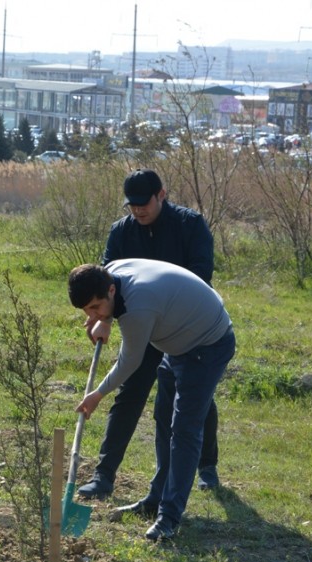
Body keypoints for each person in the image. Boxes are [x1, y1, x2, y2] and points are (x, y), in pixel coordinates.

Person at [78, 169, 222, 507]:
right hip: (140, 327)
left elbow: (200, 278)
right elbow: (105, 283)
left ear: (162, 194)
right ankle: (104, 475)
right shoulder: (121, 231)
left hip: (183, 330)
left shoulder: (190, 226)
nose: (138, 211)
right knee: (129, 393)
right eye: (132, 206)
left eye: (144, 204)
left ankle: (207, 466)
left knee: (195, 399)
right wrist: (103, 321)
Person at [69, 260, 235, 541]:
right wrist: (104, 318)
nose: (92, 315)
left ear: (110, 290)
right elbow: (112, 308)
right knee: (163, 420)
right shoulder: (112, 270)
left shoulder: (139, 308)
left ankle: (169, 517)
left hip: (207, 345)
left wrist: (97, 394)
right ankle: (156, 499)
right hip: (177, 342)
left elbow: (129, 362)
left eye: (95, 308)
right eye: (86, 311)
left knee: (184, 431)